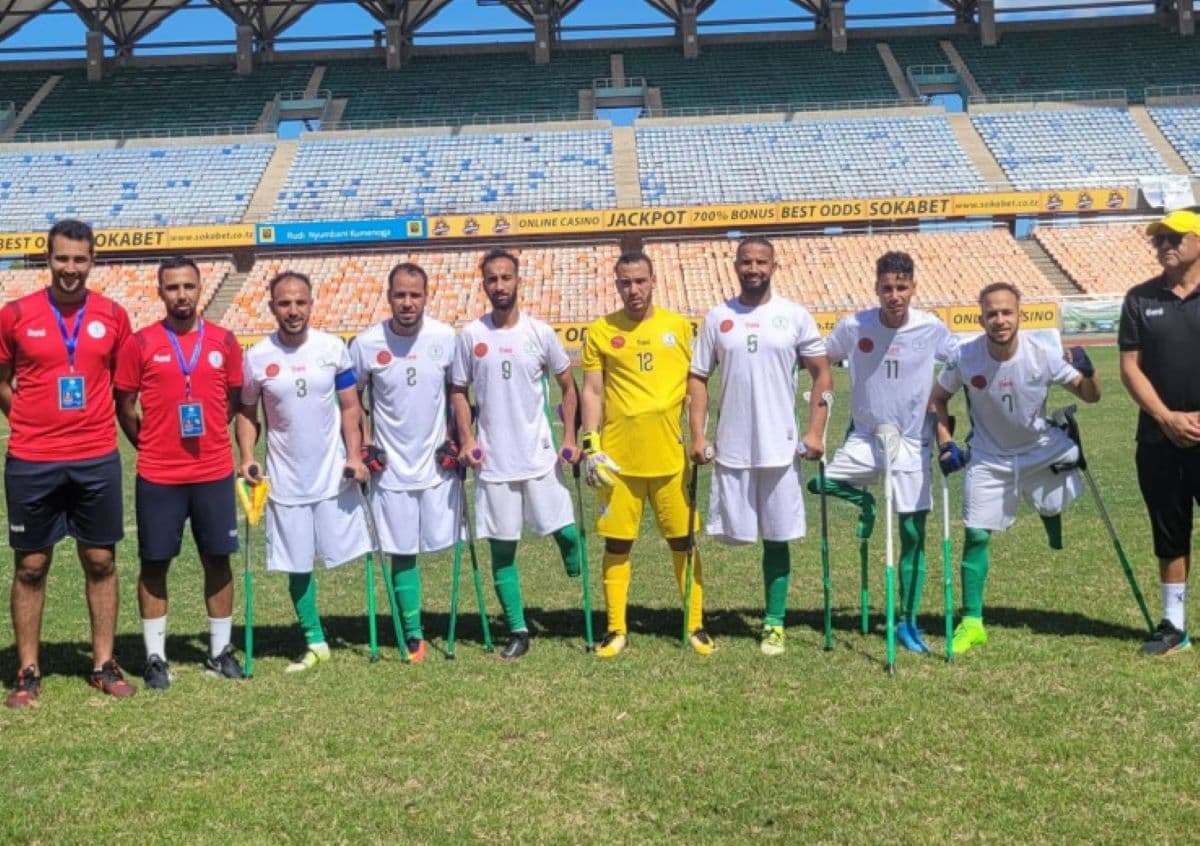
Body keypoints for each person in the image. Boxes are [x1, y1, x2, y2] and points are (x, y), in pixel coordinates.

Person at [0, 219, 136, 708]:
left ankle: (103, 662)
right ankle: (27, 670)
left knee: (100, 560)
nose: (71, 269)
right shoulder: (15, 315)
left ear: (92, 260)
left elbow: (123, 390)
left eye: (80, 260)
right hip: (31, 461)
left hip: (96, 457)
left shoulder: (113, 316)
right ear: (47, 258)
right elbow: (2, 379)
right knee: (32, 565)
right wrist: (30, 424)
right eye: (62, 259)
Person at [931, 282, 1099, 655]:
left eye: (1007, 312)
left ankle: (1047, 511)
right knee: (976, 534)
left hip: (1041, 449)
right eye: (992, 314)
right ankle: (972, 622)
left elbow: (1090, 395)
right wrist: (945, 443)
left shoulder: (1043, 354)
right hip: (989, 456)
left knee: (1054, 505)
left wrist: (1089, 372)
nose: (1000, 320)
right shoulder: (965, 357)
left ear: (1019, 315)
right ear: (981, 318)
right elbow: (938, 398)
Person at [687, 236, 831, 655]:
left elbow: (822, 376)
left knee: (778, 536)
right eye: (746, 261)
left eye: (761, 262)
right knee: (730, 537)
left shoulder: (794, 315)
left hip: (781, 446)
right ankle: (698, 618)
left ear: (774, 266)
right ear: (735, 266)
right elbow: (698, 378)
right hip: (732, 447)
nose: (754, 268)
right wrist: (698, 434)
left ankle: (774, 622)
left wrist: (816, 431)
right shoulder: (717, 317)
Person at [809, 251, 957, 653]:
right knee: (819, 482)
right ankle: (868, 505)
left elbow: (959, 363)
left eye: (902, 287)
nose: (894, 295)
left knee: (912, 532)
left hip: (910, 442)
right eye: (887, 288)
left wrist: (945, 423)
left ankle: (908, 620)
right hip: (865, 438)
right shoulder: (855, 326)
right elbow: (822, 359)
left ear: (913, 288)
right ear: (875, 288)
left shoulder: (931, 328)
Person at [116, 256, 245, 689]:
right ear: (160, 291)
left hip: (212, 471)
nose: (182, 295)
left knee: (217, 559)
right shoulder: (141, 343)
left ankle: (219, 650)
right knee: (154, 563)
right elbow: (126, 407)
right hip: (158, 474)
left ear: (200, 287)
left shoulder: (224, 341)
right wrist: (151, 444)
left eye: (188, 286)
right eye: (172, 288)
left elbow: (231, 400)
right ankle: (155, 657)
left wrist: (210, 433)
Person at [449, 248, 582, 661]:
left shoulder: (540, 332)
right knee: (502, 549)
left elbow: (568, 385)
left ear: (518, 281)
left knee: (565, 530)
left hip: (539, 453)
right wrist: (468, 438)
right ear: (484, 283)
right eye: (492, 279)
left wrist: (572, 436)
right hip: (493, 460)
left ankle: (573, 560)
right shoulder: (471, 336)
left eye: (506, 278)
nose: (500, 286)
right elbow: (458, 391)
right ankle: (519, 629)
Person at [235, 271, 370, 672]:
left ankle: (368, 631)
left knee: (355, 550)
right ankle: (314, 639)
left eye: (300, 302)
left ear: (311, 303)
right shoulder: (257, 357)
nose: (293, 311)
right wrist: (247, 456)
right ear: (271, 305)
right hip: (285, 479)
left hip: (333, 475)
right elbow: (246, 413)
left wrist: (356, 455)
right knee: (296, 562)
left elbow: (350, 407)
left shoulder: (332, 348)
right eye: (284, 303)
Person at [581, 249, 712, 658]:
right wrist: (590, 444)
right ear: (616, 284)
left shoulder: (678, 327)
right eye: (625, 282)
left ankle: (695, 625)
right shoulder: (601, 331)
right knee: (618, 545)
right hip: (619, 462)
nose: (633, 289)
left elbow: (696, 386)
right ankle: (616, 629)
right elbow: (593, 390)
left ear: (653, 281)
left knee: (683, 540)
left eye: (640, 281)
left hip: (671, 458)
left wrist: (697, 437)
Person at [349, 261, 457, 664]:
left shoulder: (446, 337)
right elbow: (352, 399)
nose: (407, 303)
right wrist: (365, 442)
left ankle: (450, 623)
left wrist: (457, 439)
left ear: (426, 297)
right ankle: (413, 634)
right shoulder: (366, 344)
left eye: (415, 295)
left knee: (444, 544)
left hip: (437, 465)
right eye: (400, 295)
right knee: (400, 548)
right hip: (390, 467)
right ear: (388, 296)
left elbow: (458, 393)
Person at [1119, 209, 1200, 655]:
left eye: (1174, 237)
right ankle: (1174, 626)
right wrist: (1168, 418)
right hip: (1158, 438)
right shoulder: (1138, 299)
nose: (1164, 245)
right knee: (1169, 533)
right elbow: (1130, 369)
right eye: (1158, 240)